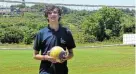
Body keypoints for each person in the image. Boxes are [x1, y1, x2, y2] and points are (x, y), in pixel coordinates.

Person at [33, 5, 76, 74]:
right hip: (45, 71)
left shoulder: (66, 32)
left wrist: (65, 57)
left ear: (59, 15)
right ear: (47, 16)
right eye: (49, 13)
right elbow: (35, 55)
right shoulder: (41, 33)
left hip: (62, 71)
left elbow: (71, 53)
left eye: (55, 12)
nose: (52, 14)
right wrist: (46, 57)